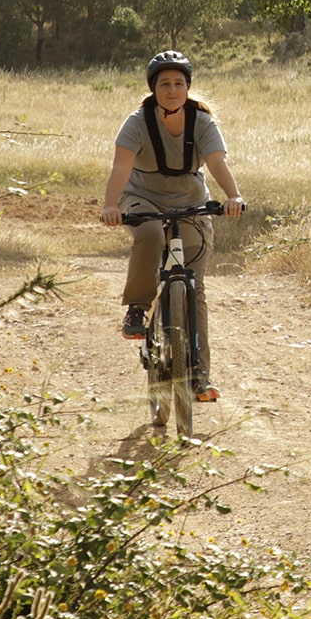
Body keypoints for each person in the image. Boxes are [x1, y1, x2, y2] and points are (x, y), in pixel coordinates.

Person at [99, 50, 246, 402]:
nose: (172, 90)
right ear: (154, 89)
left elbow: (216, 163)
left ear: (187, 88)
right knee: (149, 236)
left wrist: (234, 196)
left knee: (194, 287)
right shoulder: (137, 121)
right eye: (164, 83)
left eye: (179, 83)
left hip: (190, 202)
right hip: (142, 199)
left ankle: (199, 373)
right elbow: (121, 167)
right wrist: (109, 205)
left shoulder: (202, 122)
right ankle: (137, 307)